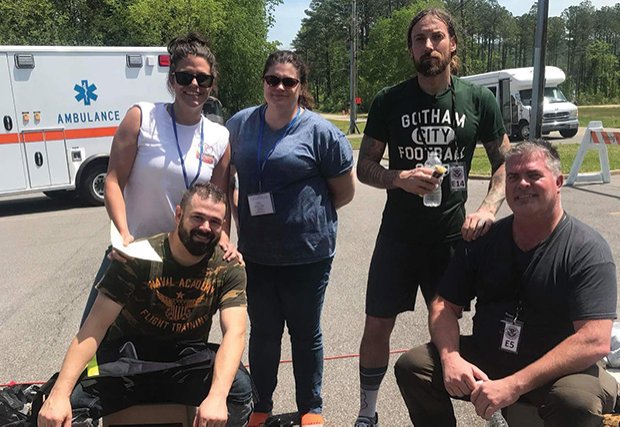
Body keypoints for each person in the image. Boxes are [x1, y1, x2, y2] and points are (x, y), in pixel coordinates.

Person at [353, 8, 512, 426]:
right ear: (410, 49)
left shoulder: (478, 100)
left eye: (436, 37)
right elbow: (364, 167)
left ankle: (489, 407)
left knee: (449, 331)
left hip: (450, 238)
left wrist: (487, 208)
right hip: (399, 237)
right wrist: (398, 177)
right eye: (420, 39)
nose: (428, 46)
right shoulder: (391, 99)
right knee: (377, 325)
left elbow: (504, 164)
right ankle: (367, 412)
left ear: (452, 43)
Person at [394, 141, 618, 426]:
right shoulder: (484, 241)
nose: (522, 184)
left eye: (533, 175)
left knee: (576, 402)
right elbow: (443, 305)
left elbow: (594, 339)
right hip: (493, 357)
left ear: (559, 182)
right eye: (513, 177)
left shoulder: (586, 249)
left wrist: (514, 384)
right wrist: (451, 359)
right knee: (415, 367)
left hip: (557, 371)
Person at [37, 183, 253, 427]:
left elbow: (235, 333)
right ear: (179, 215)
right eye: (198, 217)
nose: (205, 227)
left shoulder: (228, 267)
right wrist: (59, 393)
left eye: (215, 222)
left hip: (185, 361)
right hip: (128, 362)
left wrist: (216, 397)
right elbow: (95, 326)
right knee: (69, 404)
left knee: (240, 390)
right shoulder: (137, 257)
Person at [226, 50, 355, 427]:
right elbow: (225, 177)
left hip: (308, 254)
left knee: (304, 332)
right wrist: (239, 215)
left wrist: (305, 218)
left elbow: (343, 193)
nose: (280, 87)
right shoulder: (241, 125)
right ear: (263, 83)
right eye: (273, 80)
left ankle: (311, 407)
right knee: (263, 333)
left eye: (289, 81)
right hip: (256, 255)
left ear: (301, 87)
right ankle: (260, 403)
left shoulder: (321, 132)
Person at [81, 32, 236, 323]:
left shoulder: (219, 137)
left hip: (184, 263)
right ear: (171, 80)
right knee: (94, 343)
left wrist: (225, 238)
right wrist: (122, 233)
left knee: (168, 353)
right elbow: (113, 180)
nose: (194, 85)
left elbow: (219, 200)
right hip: (134, 253)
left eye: (202, 79)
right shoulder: (142, 118)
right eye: (185, 76)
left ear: (211, 84)